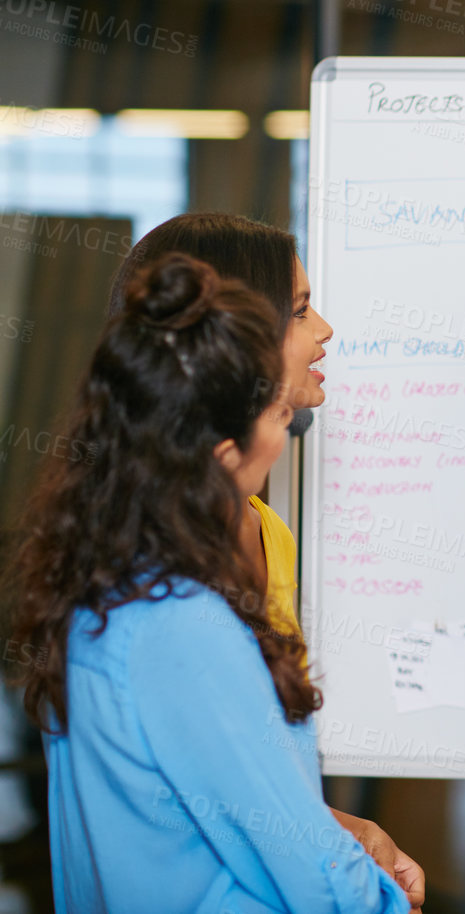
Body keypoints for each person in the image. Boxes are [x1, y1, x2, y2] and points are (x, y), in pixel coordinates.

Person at [3, 253, 410, 913]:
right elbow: (309, 870)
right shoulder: (183, 626)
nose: (284, 435)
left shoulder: (105, 585)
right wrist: (382, 901)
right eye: (278, 421)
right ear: (222, 456)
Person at [109, 213, 423, 903]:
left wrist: (343, 830)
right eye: (302, 311)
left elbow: (237, 782)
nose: (324, 332)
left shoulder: (264, 533)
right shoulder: (160, 597)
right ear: (231, 346)